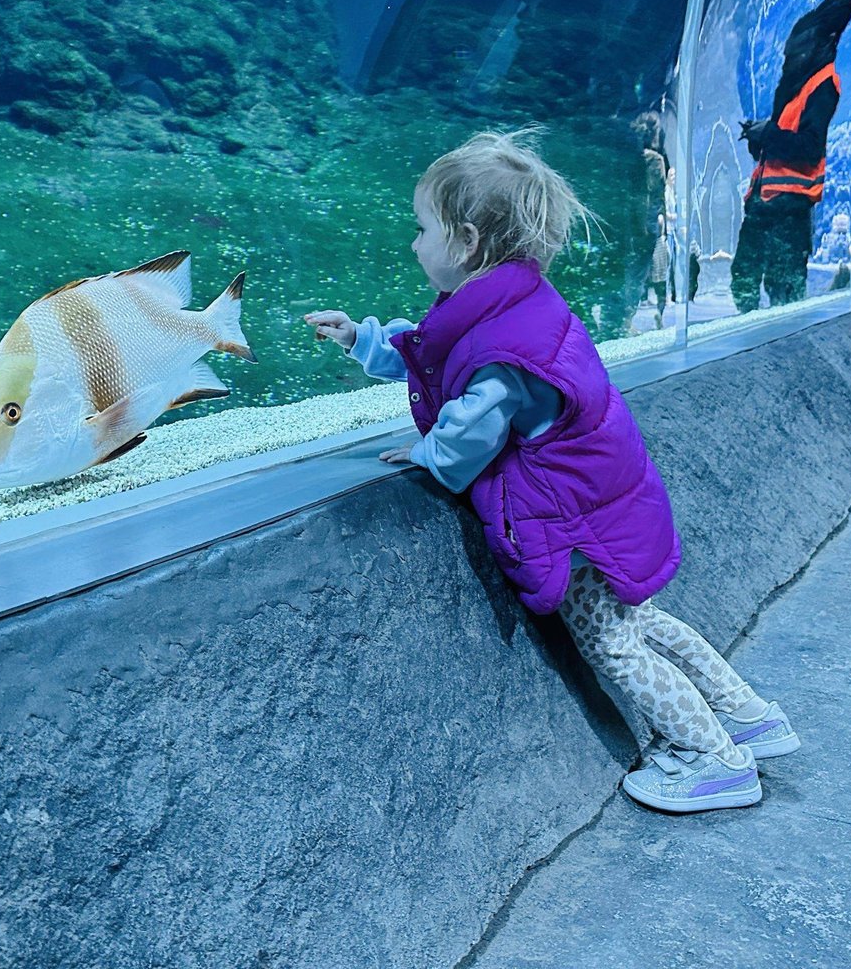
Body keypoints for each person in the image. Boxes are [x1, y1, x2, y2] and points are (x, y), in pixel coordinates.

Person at [303, 129, 798, 814]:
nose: (414, 244)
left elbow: (468, 432)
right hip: (603, 502)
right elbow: (434, 358)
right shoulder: (507, 305)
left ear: (467, 241)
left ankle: (715, 760)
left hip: (574, 522)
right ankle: (749, 716)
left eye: (422, 229)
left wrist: (424, 458)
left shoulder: (503, 344)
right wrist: (364, 341)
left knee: (614, 644)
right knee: (643, 621)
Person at [732, 0, 851, 311]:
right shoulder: (794, 85)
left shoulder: (823, 84)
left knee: (783, 285)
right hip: (763, 202)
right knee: (743, 276)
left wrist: (769, 133)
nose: (791, 55)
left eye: (799, 47)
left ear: (823, 43)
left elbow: (811, 147)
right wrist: (759, 137)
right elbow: (784, 138)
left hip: (790, 208)